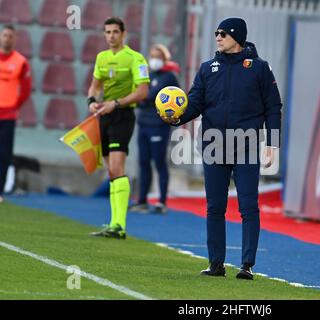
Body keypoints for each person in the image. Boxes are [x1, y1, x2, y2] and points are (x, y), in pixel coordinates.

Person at [162, 18, 282, 280]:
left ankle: (247, 265)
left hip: (247, 145)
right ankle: (216, 264)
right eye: (216, 32)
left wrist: (273, 142)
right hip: (214, 145)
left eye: (222, 33)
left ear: (237, 37)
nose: (217, 37)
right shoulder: (207, 69)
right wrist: (177, 118)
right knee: (215, 206)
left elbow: (273, 106)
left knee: (248, 206)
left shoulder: (259, 68)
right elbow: (195, 103)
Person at [87, 17, 150, 239]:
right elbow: (95, 85)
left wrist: (116, 103)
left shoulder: (135, 58)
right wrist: (92, 101)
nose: (111, 36)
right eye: (107, 32)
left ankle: (120, 225)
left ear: (123, 34)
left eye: (115, 32)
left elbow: (142, 92)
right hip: (104, 115)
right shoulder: (102, 58)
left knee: (116, 167)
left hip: (122, 115)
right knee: (111, 170)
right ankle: (114, 223)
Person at [129, 44, 180, 214]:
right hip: (143, 123)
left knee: (159, 162)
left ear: (165, 59)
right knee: (143, 162)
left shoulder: (169, 77)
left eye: (157, 56)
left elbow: (149, 96)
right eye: (152, 55)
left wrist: (142, 96)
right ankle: (142, 200)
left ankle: (162, 201)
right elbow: (140, 94)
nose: (154, 60)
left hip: (159, 126)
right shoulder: (149, 75)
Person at [0, 25, 32, 204]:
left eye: (10, 36)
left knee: (3, 154)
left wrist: (14, 105)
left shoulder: (21, 62)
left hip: (8, 116)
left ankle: (0, 191)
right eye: (4, 35)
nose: (7, 39)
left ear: (14, 39)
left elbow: (26, 90)